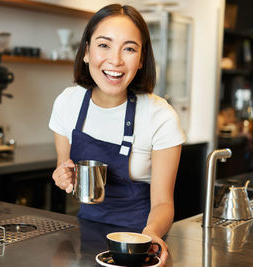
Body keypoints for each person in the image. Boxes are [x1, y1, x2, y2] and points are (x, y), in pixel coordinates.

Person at [49, 4, 186, 265]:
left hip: (139, 242)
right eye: (104, 45)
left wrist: (152, 234)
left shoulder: (160, 116)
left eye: (130, 48)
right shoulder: (68, 102)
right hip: (85, 234)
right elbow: (64, 170)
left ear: (142, 59)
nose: (115, 60)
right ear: (87, 51)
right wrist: (63, 176)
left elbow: (163, 203)